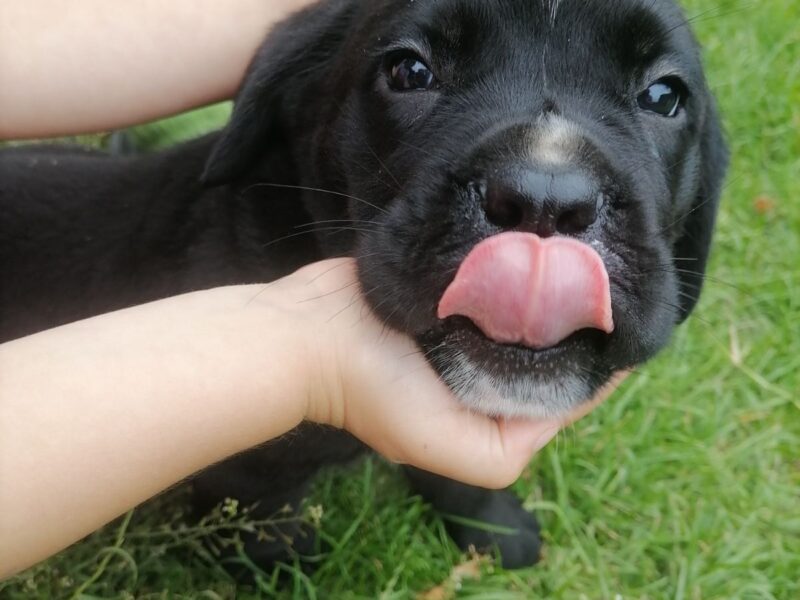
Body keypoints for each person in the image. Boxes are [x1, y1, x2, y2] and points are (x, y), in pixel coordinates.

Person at [0, 0, 625, 580]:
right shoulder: (236, 267)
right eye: (411, 72)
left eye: (659, 95)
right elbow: (244, 458)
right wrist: (305, 366)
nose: (549, 194)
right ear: (292, 94)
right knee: (266, 462)